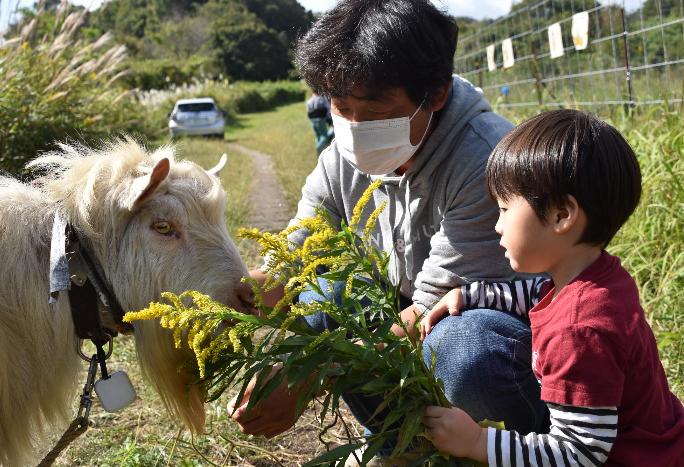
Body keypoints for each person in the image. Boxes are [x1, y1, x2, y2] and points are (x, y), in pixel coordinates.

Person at [230, 0, 548, 457]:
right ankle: (399, 443)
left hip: (487, 317)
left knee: (466, 354)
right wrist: (245, 292)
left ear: (434, 95)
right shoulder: (340, 155)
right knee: (322, 296)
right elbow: (300, 245)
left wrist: (310, 373)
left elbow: (433, 306)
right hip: (414, 305)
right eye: (342, 108)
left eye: (378, 112)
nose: (357, 129)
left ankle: (530, 442)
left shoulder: (485, 159)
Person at [421, 110, 684, 466]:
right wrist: (469, 295)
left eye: (503, 208)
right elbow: (536, 294)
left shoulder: (578, 329)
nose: (497, 226)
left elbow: (579, 452)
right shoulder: (596, 277)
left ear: (562, 214)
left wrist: (479, 442)